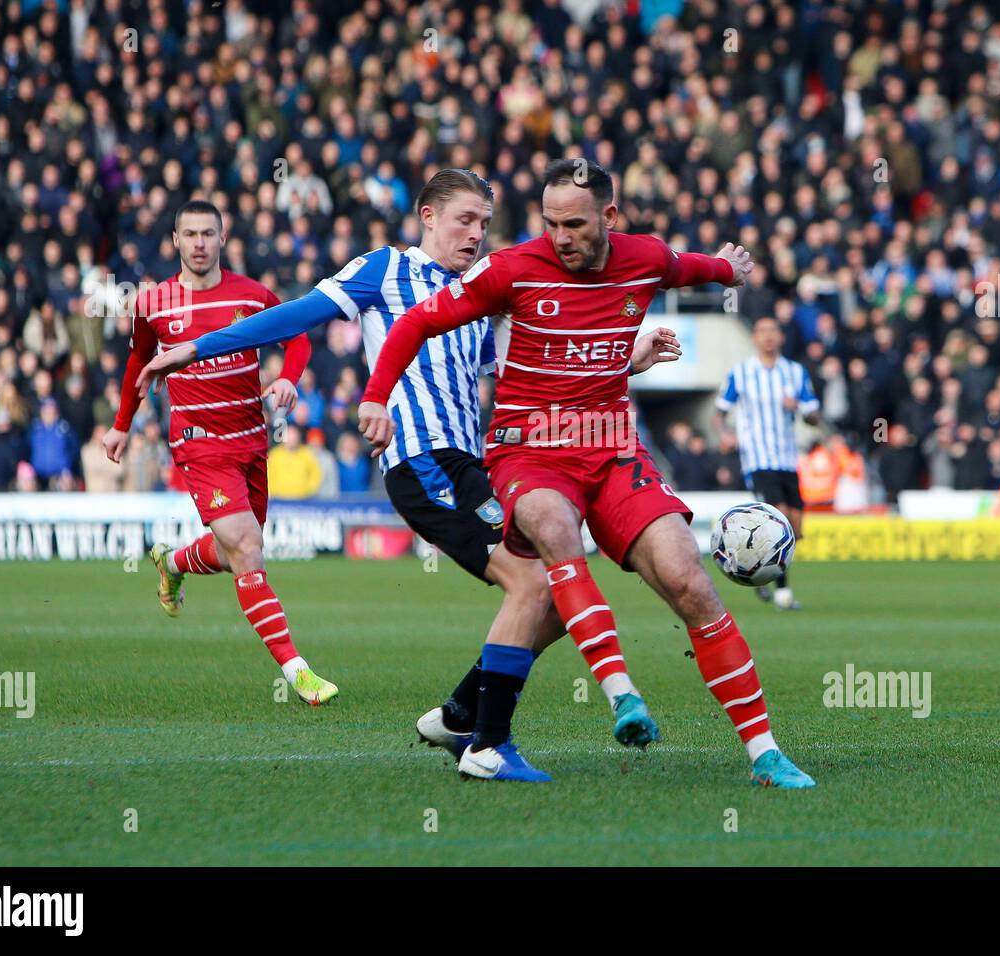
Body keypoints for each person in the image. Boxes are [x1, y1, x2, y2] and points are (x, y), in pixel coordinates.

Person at [137, 169, 682, 782]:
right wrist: (200, 347)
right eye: (464, 219)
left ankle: (459, 716)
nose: (477, 233)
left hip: (473, 466)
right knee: (536, 582)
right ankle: (487, 744)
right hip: (421, 463)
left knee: (557, 593)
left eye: (484, 221)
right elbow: (295, 316)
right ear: (427, 216)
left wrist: (630, 359)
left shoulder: (478, 290)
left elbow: (529, 368)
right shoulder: (383, 269)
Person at [357, 160, 816, 789]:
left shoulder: (644, 259)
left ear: (610, 218)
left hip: (612, 448)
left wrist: (728, 269)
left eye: (574, 224)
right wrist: (378, 396)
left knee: (689, 581)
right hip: (529, 451)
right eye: (550, 223)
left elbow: (691, 266)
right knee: (554, 535)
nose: (560, 236)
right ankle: (622, 694)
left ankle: (765, 753)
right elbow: (415, 322)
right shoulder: (511, 269)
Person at [105, 200, 336, 706]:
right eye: (190, 234)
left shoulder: (252, 297)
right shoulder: (155, 302)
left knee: (239, 552)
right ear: (175, 240)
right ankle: (298, 672)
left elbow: (298, 340)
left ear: (223, 237)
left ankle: (174, 561)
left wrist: (287, 379)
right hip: (199, 442)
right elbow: (139, 363)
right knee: (249, 549)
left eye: (208, 233)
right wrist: (121, 427)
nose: (199, 243)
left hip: (252, 439)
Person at [715, 315, 822, 610]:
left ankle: (757, 575)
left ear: (781, 337)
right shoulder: (741, 373)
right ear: (755, 338)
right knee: (780, 519)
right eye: (762, 331)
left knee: (796, 529)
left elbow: (814, 415)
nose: (768, 336)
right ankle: (784, 594)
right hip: (758, 458)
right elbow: (720, 411)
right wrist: (725, 435)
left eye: (773, 331)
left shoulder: (795, 373)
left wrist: (799, 407)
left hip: (787, 458)